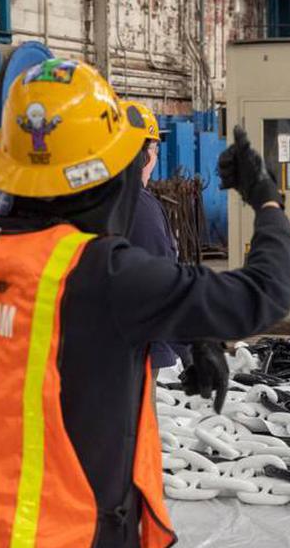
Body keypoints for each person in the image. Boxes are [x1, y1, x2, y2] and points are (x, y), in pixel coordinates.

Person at [0, 59, 290, 547]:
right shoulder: (97, 273)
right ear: (102, 175)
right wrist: (266, 200)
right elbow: (263, 294)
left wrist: (188, 329)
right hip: (56, 531)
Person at [122, 100, 189, 374]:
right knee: (139, 417)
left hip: (101, 344)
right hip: (138, 348)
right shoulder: (139, 205)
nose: (156, 157)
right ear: (141, 156)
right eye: (154, 149)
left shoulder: (92, 200)